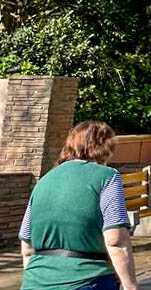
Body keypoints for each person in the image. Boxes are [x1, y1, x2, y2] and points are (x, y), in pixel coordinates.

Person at [19, 121, 140, 290]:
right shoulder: (107, 176)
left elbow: (27, 245)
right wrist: (130, 286)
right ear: (105, 147)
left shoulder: (44, 180)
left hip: (35, 281)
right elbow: (116, 239)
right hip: (87, 279)